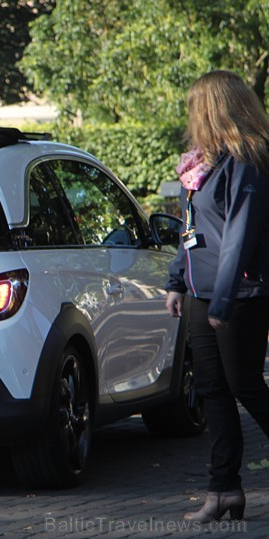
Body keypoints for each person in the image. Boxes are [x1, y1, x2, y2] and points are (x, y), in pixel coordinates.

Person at [165, 70, 269, 523]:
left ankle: (225, 489)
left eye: (195, 106)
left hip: (239, 294)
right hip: (202, 294)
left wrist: (224, 301)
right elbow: (194, 230)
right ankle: (223, 490)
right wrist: (176, 281)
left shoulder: (248, 161)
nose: (191, 116)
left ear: (214, 108)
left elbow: (238, 237)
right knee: (212, 391)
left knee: (246, 385)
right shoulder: (202, 165)